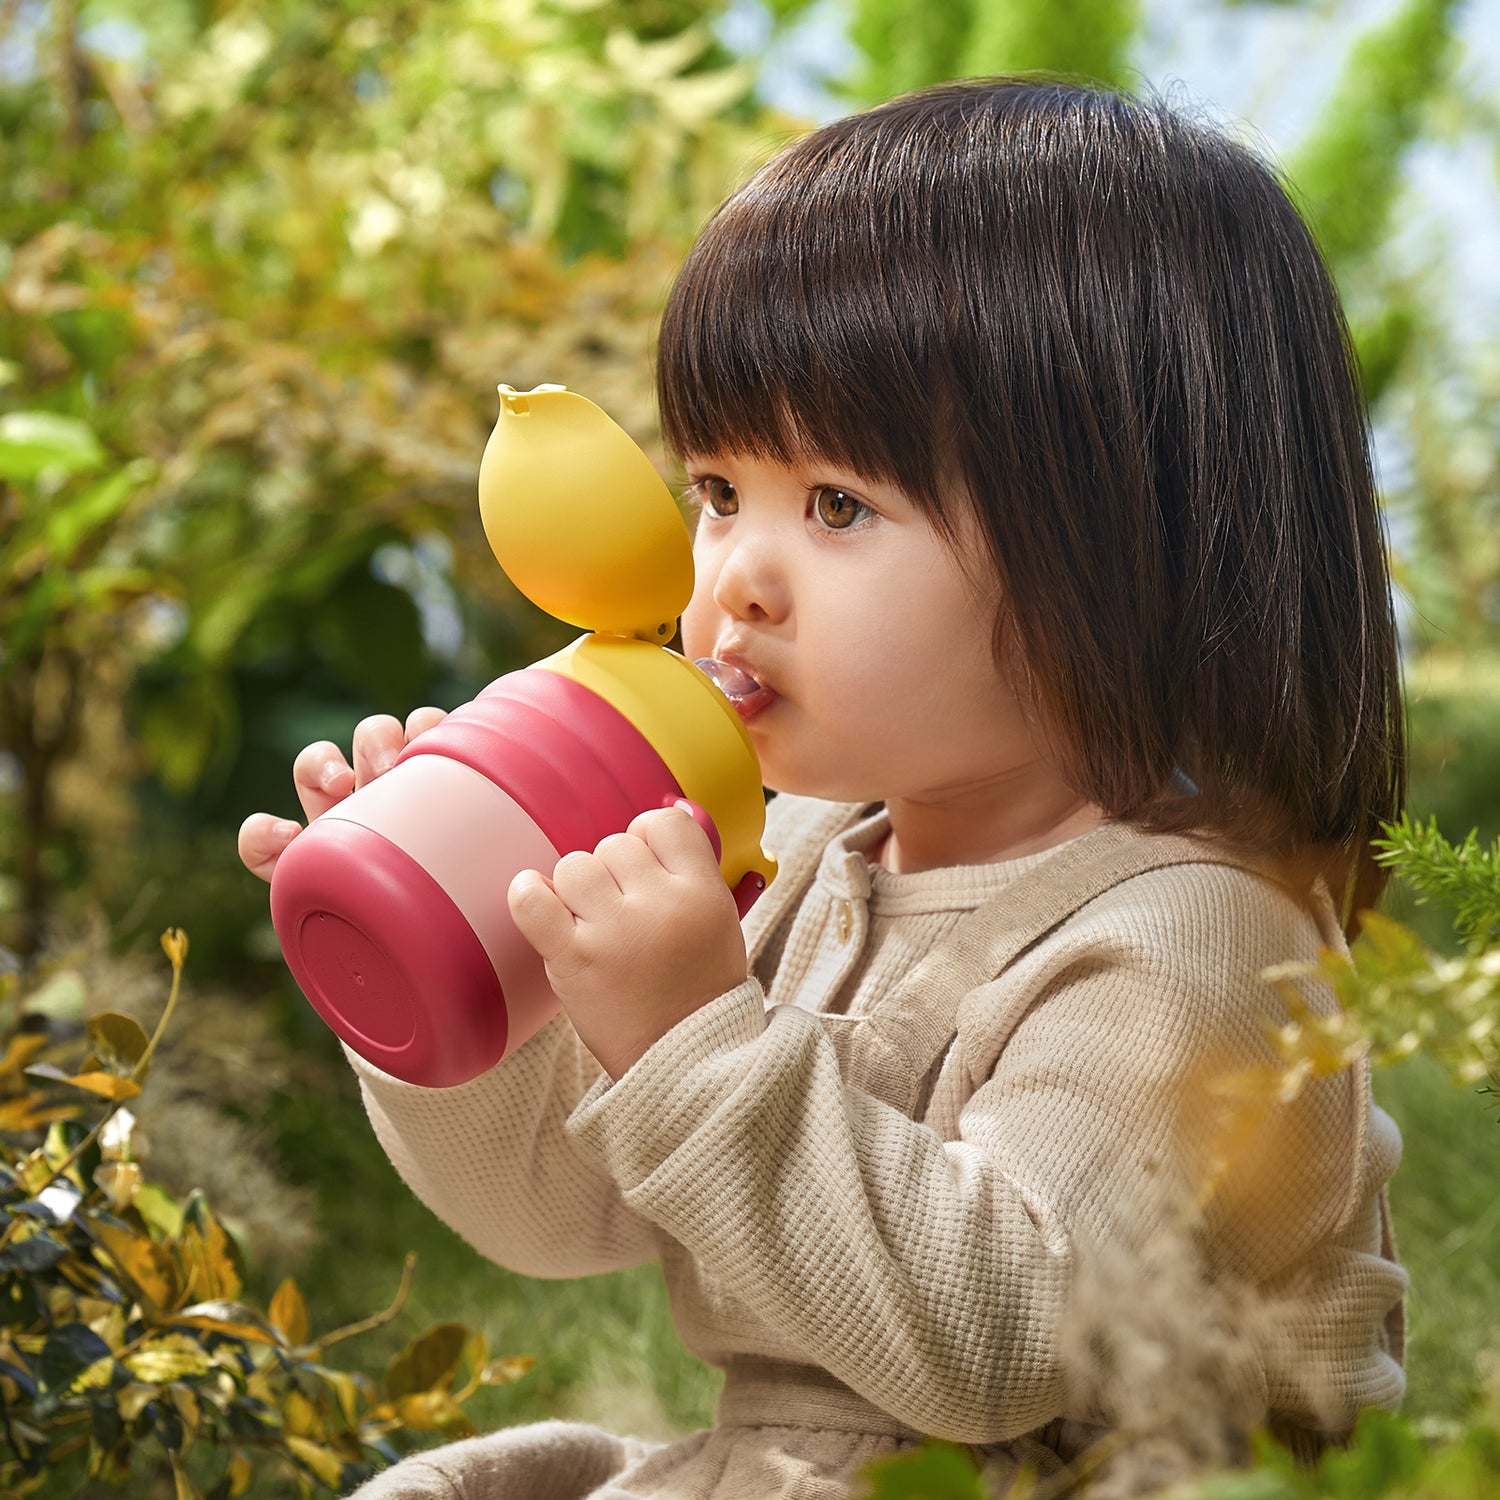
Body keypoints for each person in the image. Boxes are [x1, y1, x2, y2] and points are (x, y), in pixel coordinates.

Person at [239, 78, 1408, 1498]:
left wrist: (697, 1039)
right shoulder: (790, 856)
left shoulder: (1199, 941)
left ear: (1124, 550)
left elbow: (1001, 1343)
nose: (733, 578)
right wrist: (461, 966)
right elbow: (556, 1212)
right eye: (719, 490)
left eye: (837, 506)